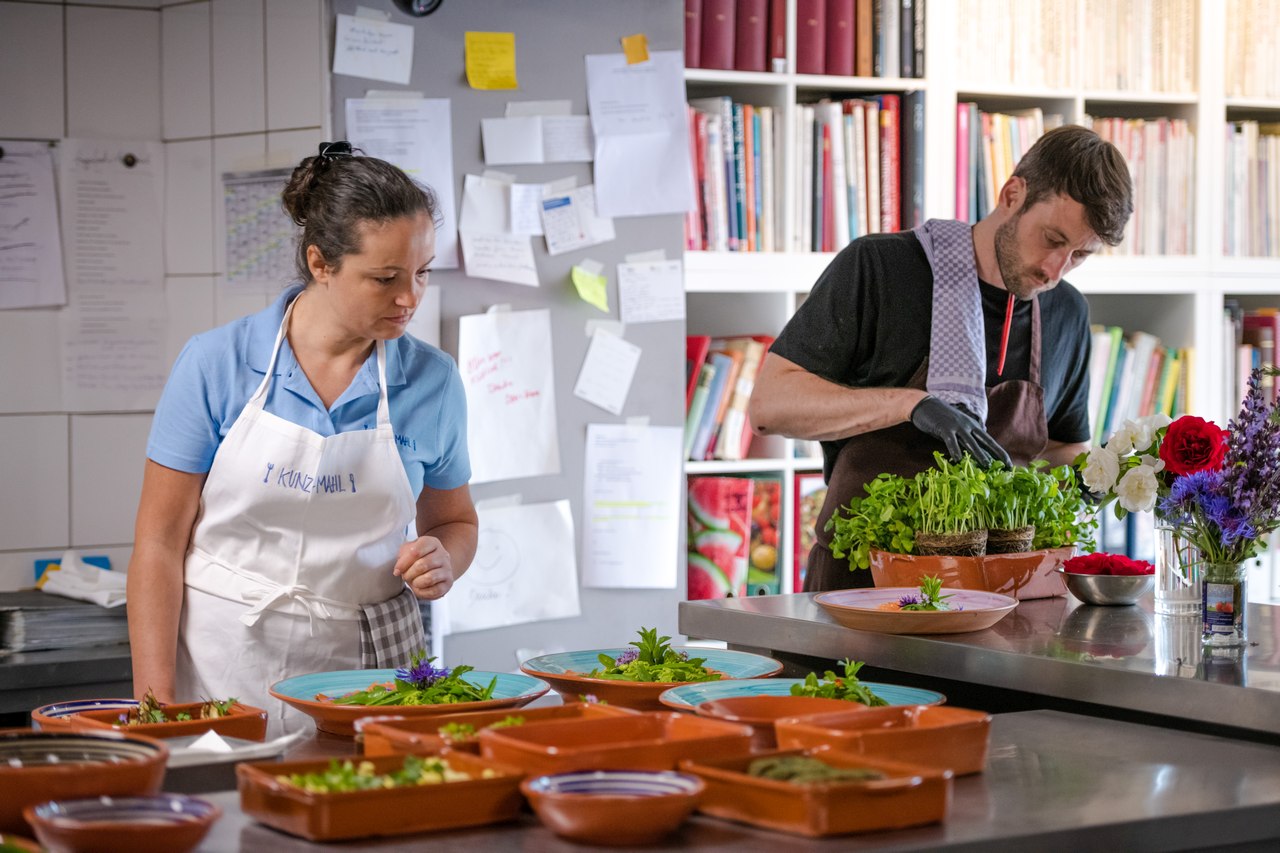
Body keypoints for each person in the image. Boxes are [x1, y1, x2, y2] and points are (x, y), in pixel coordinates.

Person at [126, 142, 477, 734]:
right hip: (222, 667)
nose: (410, 298)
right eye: (384, 278)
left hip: (369, 676)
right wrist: (154, 710)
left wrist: (446, 559)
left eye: (422, 273)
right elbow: (158, 545)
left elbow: (456, 523)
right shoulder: (218, 363)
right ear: (321, 264)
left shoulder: (432, 381)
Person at [748, 125, 1134, 593]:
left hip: (997, 590)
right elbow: (770, 406)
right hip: (862, 584)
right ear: (1012, 194)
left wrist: (1097, 476)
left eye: (1080, 256)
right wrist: (910, 406)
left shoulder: (1067, 312)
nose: (1056, 270)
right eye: (1052, 239)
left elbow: (1059, 448)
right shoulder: (881, 267)